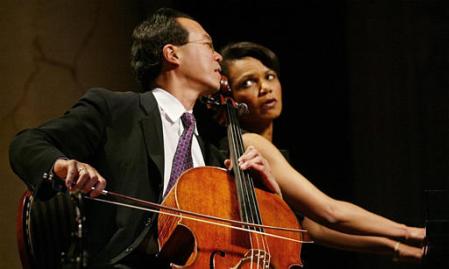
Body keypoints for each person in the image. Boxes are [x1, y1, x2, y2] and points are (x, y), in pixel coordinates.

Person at [9, 9, 280, 268]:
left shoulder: (213, 156)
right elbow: (27, 143)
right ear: (172, 53)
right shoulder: (115, 110)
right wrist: (62, 165)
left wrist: (270, 195)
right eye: (208, 45)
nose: (218, 56)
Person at [218, 41, 426, 263]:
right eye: (247, 82)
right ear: (227, 98)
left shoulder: (264, 146)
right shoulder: (249, 143)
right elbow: (330, 212)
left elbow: (312, 229)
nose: (265, 88)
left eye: (269, 76)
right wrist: (411, 233)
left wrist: (396, 247)